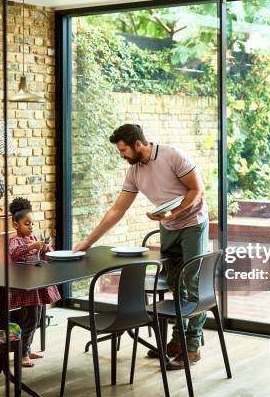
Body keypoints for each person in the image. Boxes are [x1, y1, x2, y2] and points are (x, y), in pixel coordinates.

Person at [73, 123, 208, 370]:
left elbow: (197, 189)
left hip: (192, 223)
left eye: (123, 150)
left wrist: (174, 212)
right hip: (168, 227)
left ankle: (192, 346)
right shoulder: (134, 171)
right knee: (176, 285)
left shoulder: (171, 155)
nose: (121, 155)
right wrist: (89, 241)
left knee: (192, 283)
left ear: (137, 144)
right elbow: (117, 210)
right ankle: (177, 341)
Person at [8, 197, 61, 368]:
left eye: (32, 224)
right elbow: (15, 254)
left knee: (37, 320)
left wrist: (45, 249)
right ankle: (22, 354)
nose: (31, 227)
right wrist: (32, 246)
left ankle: (27, 348)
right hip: (26, 288)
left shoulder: (35, 238)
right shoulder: (16, 241)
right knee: (30, 320)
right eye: (27, 223)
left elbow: (47, 257)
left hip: (37, 285)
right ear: (16, 225)